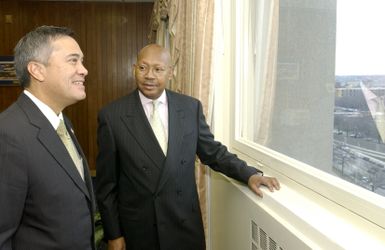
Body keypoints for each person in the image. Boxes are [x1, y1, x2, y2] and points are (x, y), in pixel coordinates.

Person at [96, 44, 280, 250]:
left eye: (158, 69)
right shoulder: (112, 116)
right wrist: (114, 234)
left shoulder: (190, 107)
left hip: (183, 223)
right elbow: (106, 185)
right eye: (143, 68)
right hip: (139, 229)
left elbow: (212, 152)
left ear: (170, 73)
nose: (149, 75)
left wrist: (248, 174)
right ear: (133, 68)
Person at [0, 26, 95, 250]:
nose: (84, 70)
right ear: (37, 70)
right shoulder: (8, 134)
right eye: (73, 60)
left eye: (82, 61)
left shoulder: (62, 123)